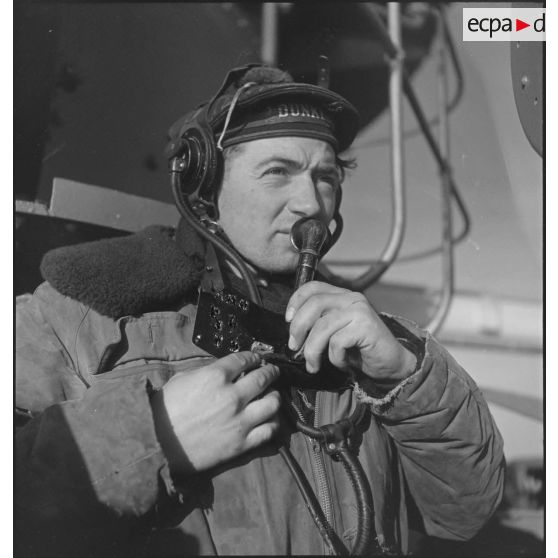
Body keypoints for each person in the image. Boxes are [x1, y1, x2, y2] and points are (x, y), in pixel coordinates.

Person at [16, 64, 504, 557]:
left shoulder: (366, 339)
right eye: (277, 173)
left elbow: (466, 512)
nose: (311, 203)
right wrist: (154, 436)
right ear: (204, 187)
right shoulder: (74, 318)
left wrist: (404, 377)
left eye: (326, 176)